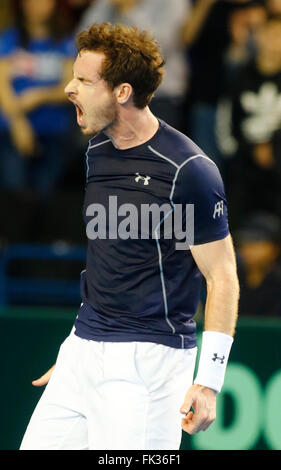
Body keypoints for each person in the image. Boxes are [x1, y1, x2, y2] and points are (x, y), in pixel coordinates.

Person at [20, 22, 239, 450]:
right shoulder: (96, 151)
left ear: (121, 92)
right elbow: (111, 259)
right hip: (83, 349)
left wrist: (209, 381)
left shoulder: (189, 171)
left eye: (84, 80)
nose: (68, 88)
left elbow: (223, 276)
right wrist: (76, 352)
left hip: (150, 362)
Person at [77, 0, 191, 132]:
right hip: (112, 97)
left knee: (153, 151)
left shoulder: (172, 2)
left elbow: (160, 48)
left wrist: (128, 9)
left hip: (159, 97)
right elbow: (83, 40)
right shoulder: (107, 4)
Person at [235, 212, 281, 316]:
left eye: (257, 242)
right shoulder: (232, 279)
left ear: (275, 248)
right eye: (245, 242)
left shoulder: (277, 281)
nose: (248, 248)